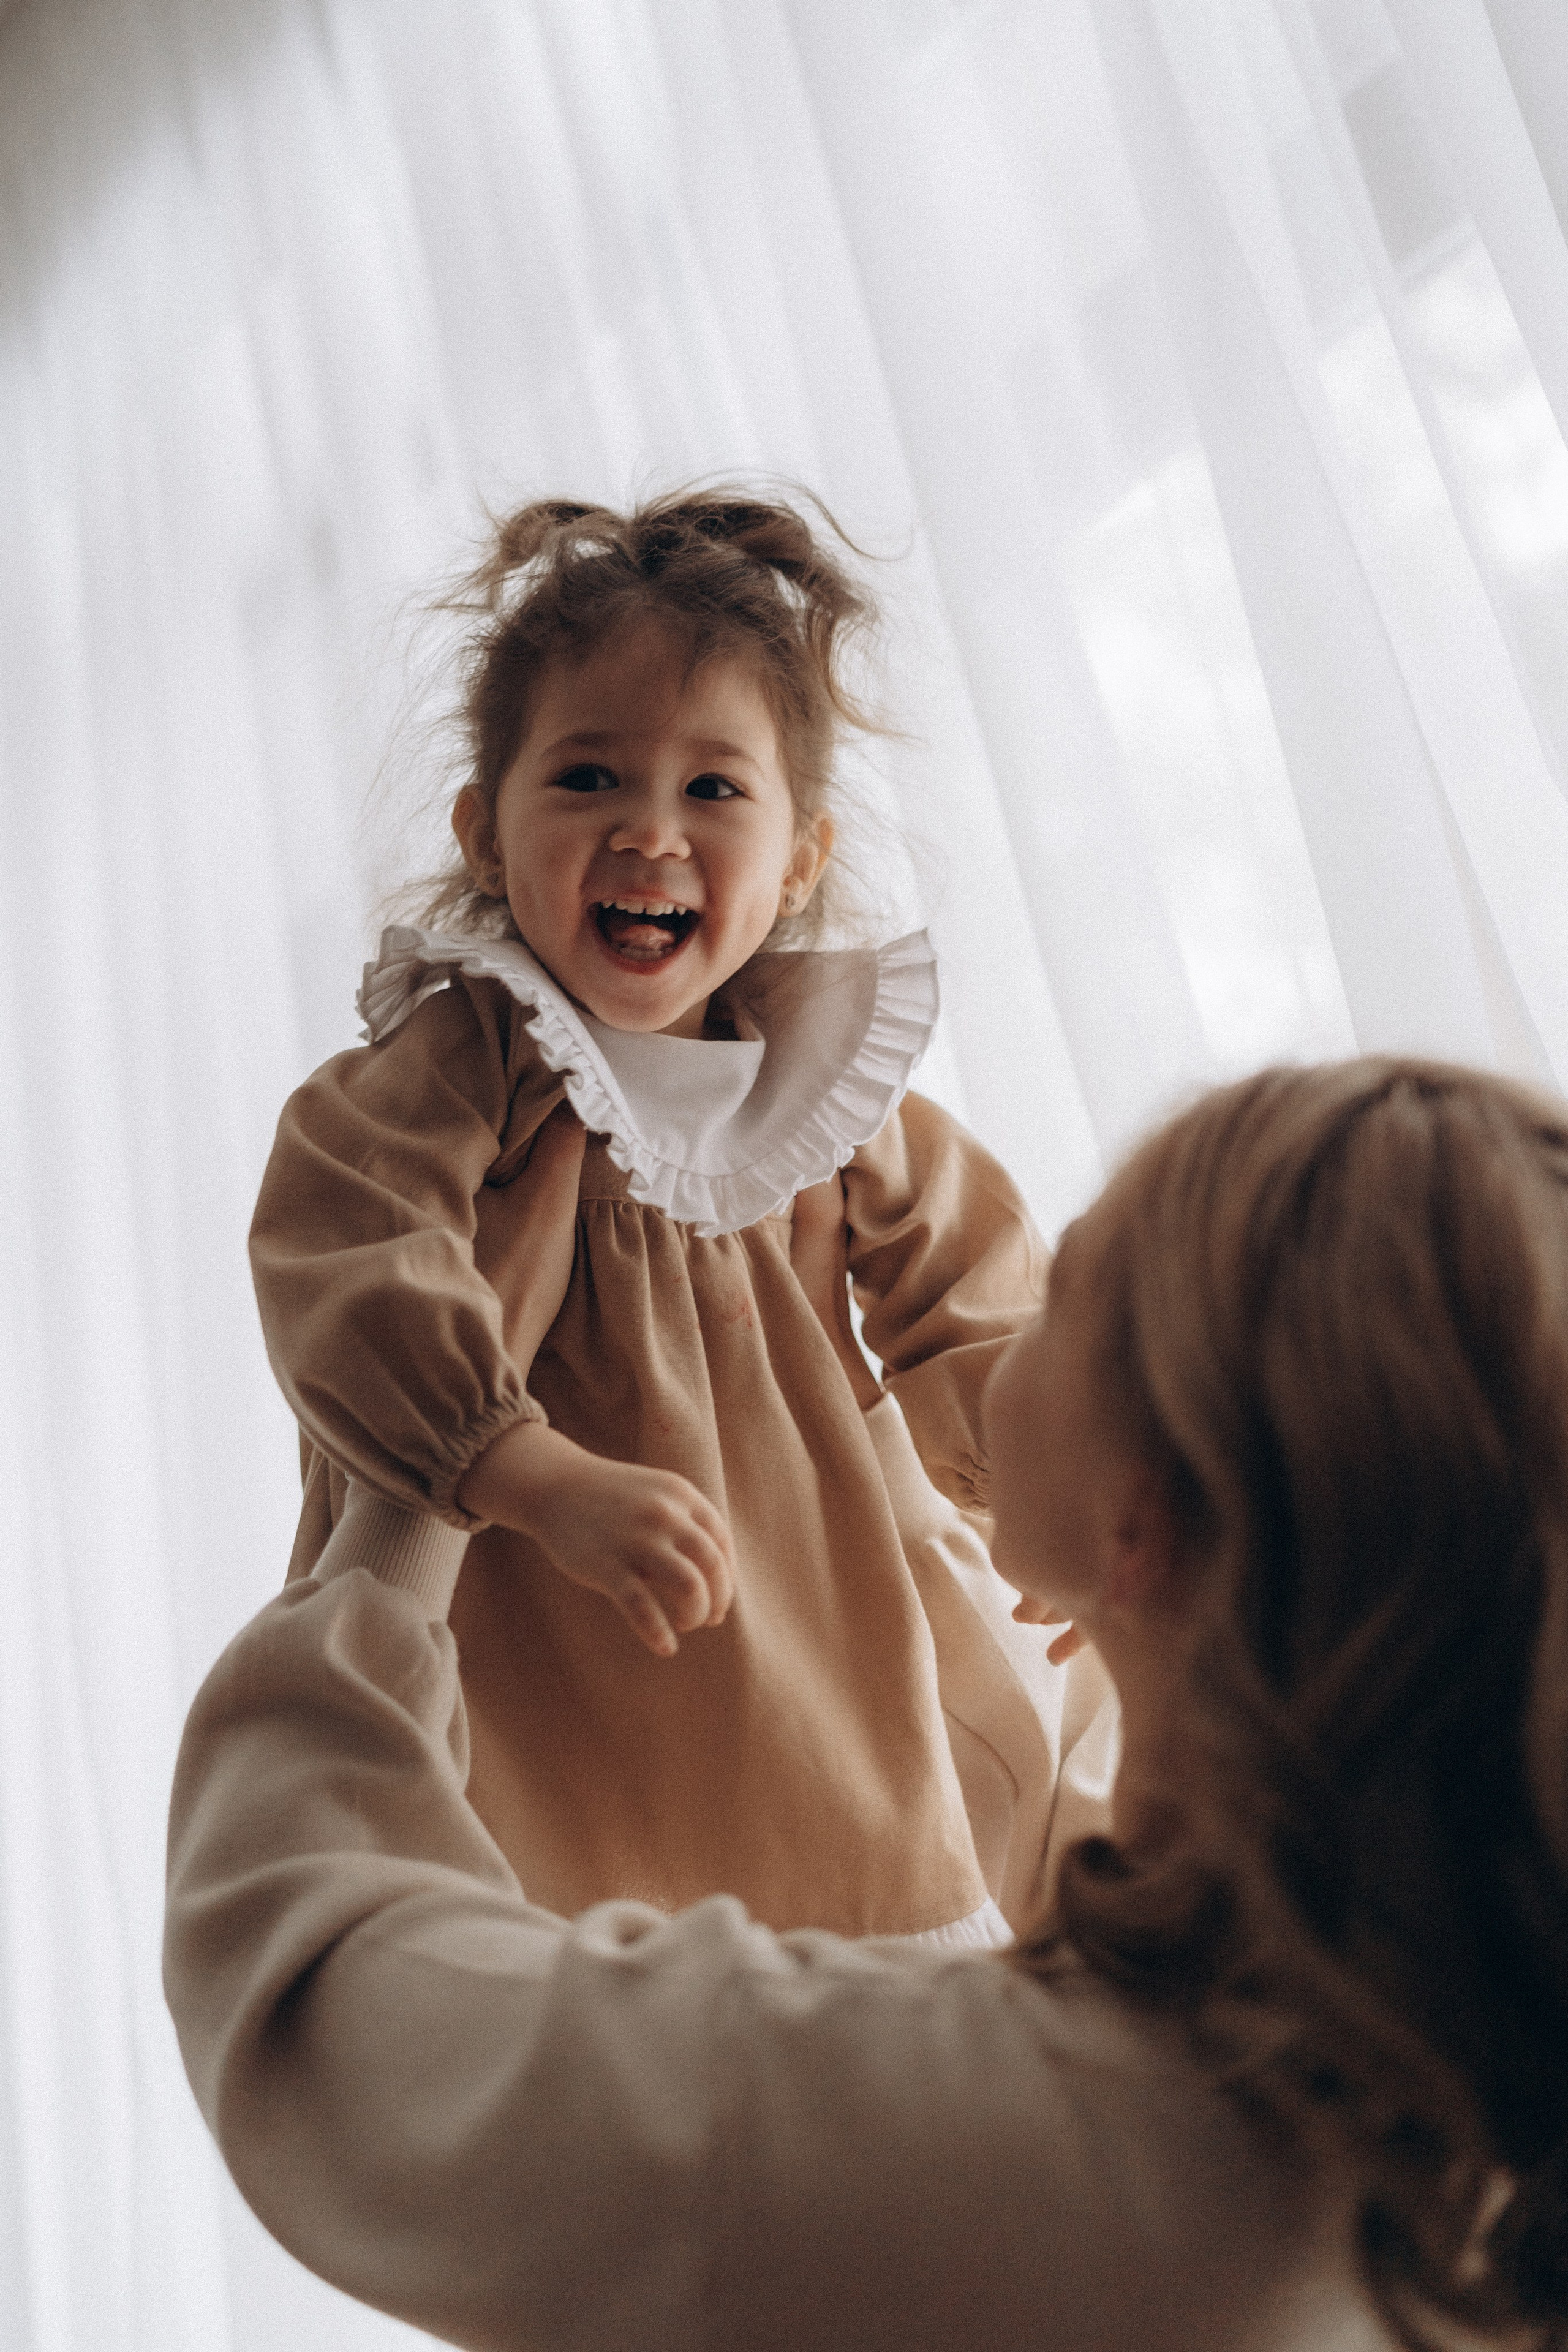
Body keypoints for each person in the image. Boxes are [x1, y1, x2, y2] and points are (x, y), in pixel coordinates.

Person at [166, 1056, 1568, 2352]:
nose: (1003, 1313)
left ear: (1145, 1516)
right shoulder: (1440, 2114)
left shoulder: (966, 2135)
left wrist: (410, 1506)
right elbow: (1014, 1783)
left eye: (1066, 1289)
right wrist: (844, 1436)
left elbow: (326, 2014)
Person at [248, 486, 1090, 1950]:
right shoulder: (469, 1065)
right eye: (585, 779)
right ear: (486, 831)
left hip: (807, 1645)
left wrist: (1062, 1501)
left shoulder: (827, 1095)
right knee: (553, 1987)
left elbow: (982, 1306)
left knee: (845, 1983)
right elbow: (347, 1259)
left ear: (799, 860)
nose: (649, 830)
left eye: (713, 790)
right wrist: (524, 1470)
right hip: (529, 1627)